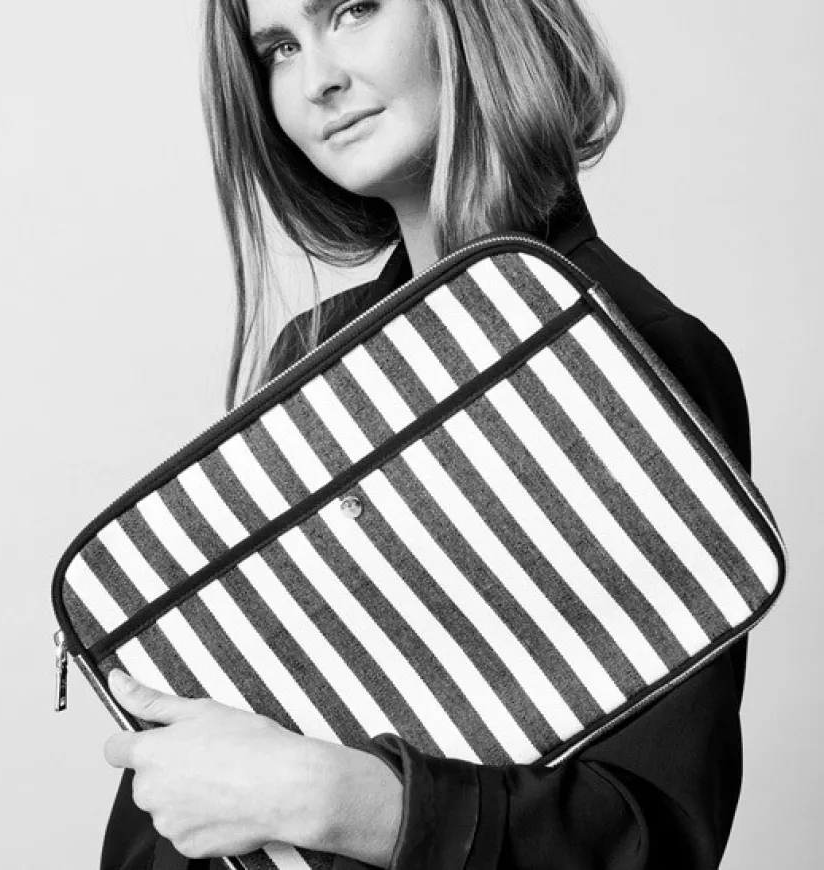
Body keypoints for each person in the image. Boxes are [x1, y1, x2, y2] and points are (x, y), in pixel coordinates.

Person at [100, 1, 752, 868]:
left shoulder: (640, 353)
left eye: (354, 9)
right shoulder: (312, 355)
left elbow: (648, 837)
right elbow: (191, 765)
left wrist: (341, 801)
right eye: (280, 47)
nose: (317, 79)